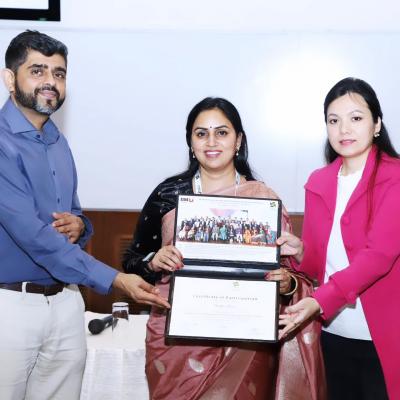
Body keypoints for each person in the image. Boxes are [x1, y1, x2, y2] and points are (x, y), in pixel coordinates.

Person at [0, 30, 169, 400]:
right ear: (10, 79)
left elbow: (75, 218)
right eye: (37, 71)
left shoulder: (58, 142)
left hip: (65, 302)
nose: (50, 81)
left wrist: (81, 225)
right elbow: (33, 236)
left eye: (59, 73)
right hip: (10, 307)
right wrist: (115, 279)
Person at [123, 97, 326, 399]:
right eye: (201, 133)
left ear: (238, 140)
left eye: (221, 132)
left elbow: (294, 278)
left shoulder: (263, 200)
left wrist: (287, 284)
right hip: (176, 341)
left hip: (246, 342)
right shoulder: (167, 194)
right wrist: (154, 261)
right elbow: (132, 260)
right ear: (190, 142)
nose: (211, 142)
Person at [278, 77, 400, 399]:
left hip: (386, 337)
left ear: (376, 124)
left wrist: (319, 301)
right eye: (334, 121)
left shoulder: (396, 177)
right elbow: (317, 265)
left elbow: (378, 257)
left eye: (355, 118)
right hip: (333, 334)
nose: (344, 129)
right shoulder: (318, 181)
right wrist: (300, 252)